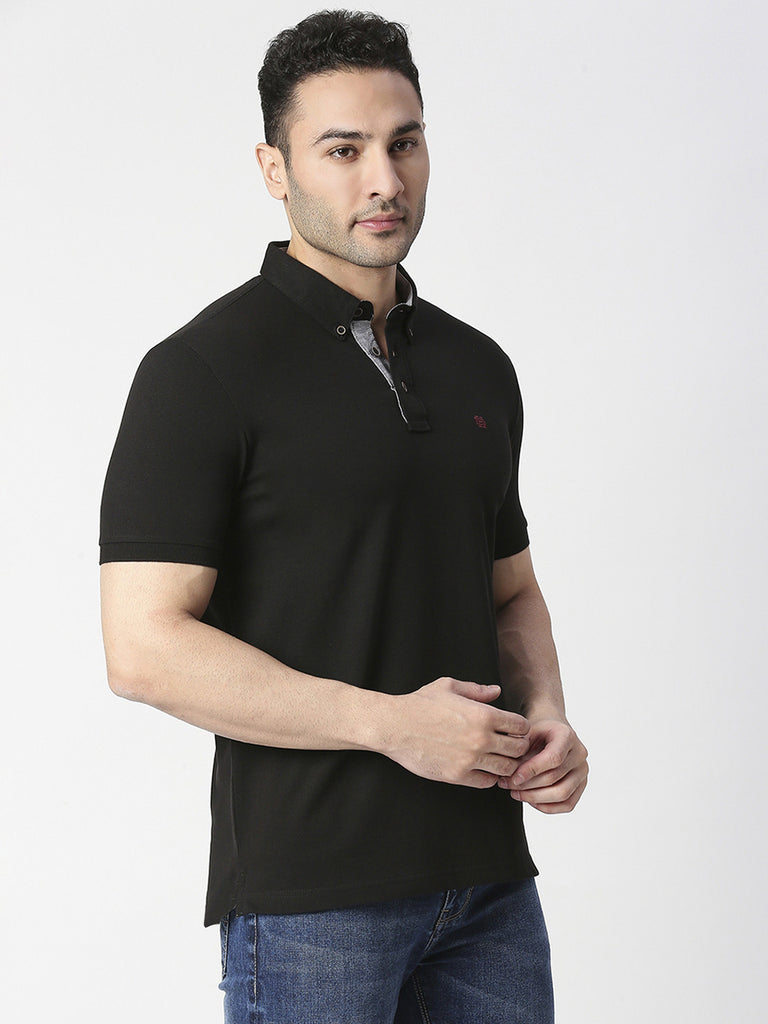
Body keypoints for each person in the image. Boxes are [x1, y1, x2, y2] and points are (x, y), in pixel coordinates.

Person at [99, 10, 588, 1023]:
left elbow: (511, 590)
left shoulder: (476, 366)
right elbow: (142, 649)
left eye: (404, 143)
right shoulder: (201, 372)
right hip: (313, 899)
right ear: (274, 169)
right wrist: (390, 725)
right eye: (343, 149)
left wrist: (546, 711)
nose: (384, 179)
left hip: (491, 886)